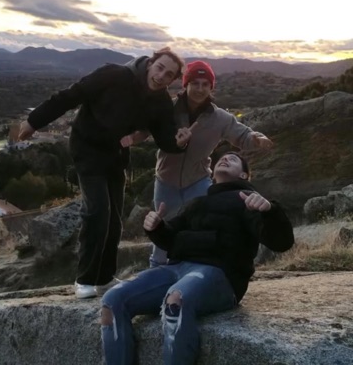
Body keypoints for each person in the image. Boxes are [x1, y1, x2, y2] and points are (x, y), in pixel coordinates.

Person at [17, 47, 194, 299]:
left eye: (168, 75)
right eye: (160, 68)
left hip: (115, 156)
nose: (161, 76)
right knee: (97, 211)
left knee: (114, 219)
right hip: (87, 148)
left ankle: (105, 278)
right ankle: (85, 279)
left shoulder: (161, 101)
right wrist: (34, 121)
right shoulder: (114, 74)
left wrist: (179, 142)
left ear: (173, 80)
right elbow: (70, 96)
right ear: (150, 63)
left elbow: (164, 138)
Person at [100, 152, 294, 365]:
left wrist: (270, 211)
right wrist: (156, 227)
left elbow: (281, 243)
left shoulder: (247, 200)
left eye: (233, 159)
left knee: (176, 300)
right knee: (112, 300)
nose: (225, 159)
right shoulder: (197, 203)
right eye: (222, 157)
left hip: (219, 274)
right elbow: (171, 239)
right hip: (175, 269)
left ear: (244, 175)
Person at [121, 60, 274, 267]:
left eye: (205, 84)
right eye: (195, 83)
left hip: (199, 181)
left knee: (199, 227)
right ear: (186, 84)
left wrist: (257, 139)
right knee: (163, 227)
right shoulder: (167, 108)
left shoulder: (220, 118)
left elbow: (242, 135)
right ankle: (157, 269)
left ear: (211, 87)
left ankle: (193, 269)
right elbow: (145, 129)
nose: (200, 89)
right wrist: (130, 138)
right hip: (166, 181)